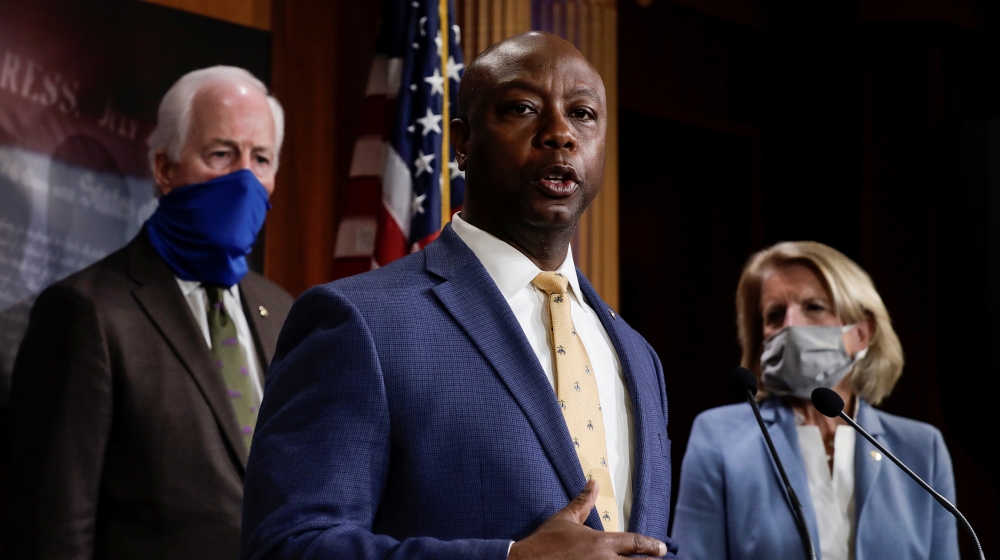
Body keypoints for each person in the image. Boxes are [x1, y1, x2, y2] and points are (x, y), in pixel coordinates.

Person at [241, 32, 678, 560]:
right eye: (523, 108)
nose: (561, 133)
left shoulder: (638, 356)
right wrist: (509, 559)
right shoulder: (359, 322)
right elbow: (288, 545)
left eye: (583, 114)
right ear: (462, 142)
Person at [6, 66, 294, 559]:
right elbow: (53, 530)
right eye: (222, 154)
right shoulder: (84, 312)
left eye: (261, 159)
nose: (244, 179)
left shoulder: (283, 310)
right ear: (165, 168)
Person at [672, 241, 959, 560]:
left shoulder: (921, 449)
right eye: (776, 315)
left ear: (862, 332)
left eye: (814, 307)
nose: (792, 325)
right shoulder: (720, 437)